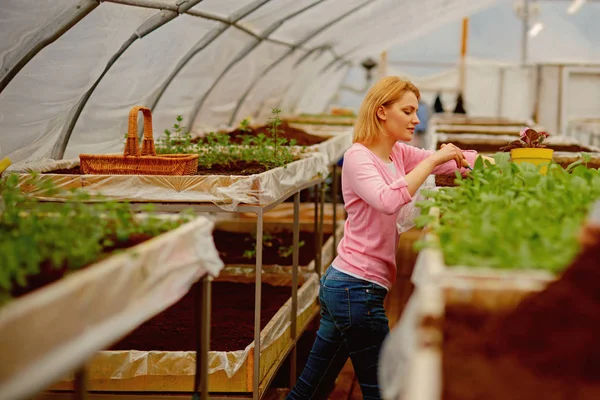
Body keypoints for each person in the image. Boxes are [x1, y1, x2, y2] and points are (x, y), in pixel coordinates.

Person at [286, 76, 478, 400]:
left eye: (416, 111)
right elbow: (388, 200)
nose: (417, 119)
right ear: (381, 112)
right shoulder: (358, 158)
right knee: (384, 389)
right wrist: (433, 160)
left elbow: (454, 165)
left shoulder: (397, 153)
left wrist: (504, 163)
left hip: (348, 287)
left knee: (311, 389)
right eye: (408, 111)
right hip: (355, 288)